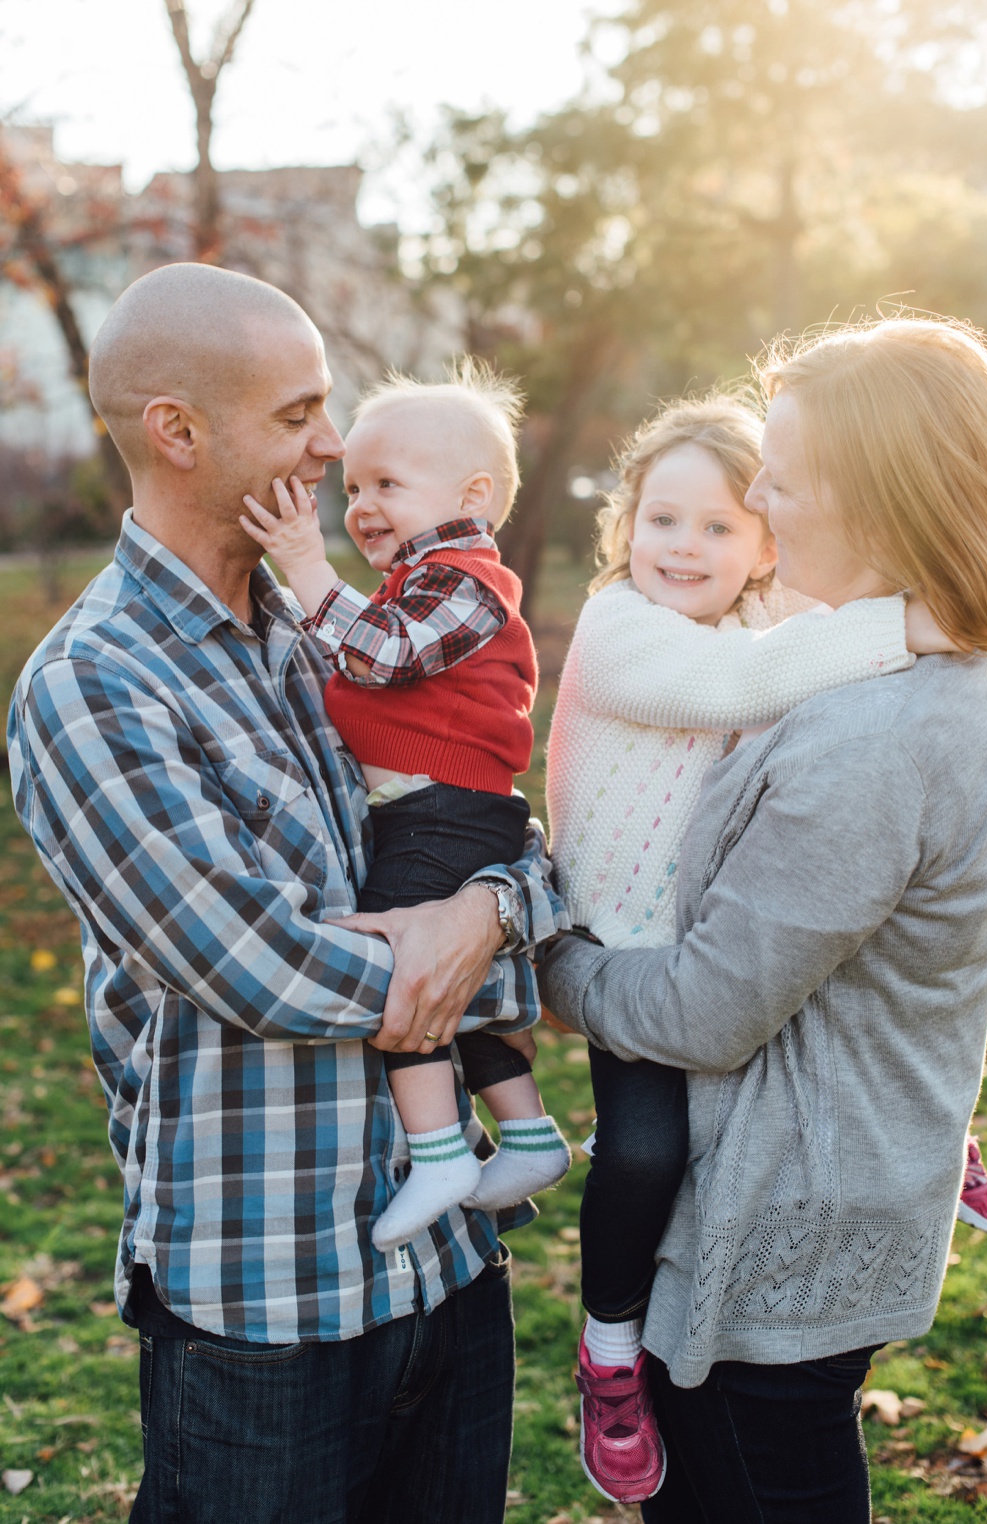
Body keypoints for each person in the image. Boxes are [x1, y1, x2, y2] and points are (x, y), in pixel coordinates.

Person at [8, 261, 561, 1523]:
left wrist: (486, 912)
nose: (329, 446)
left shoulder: (327, 630)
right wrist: (499, 925)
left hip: (445, 1262)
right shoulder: (94, 684)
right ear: (179, 431)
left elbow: (493, 814)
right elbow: (263, 968)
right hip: (268, 1296)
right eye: (298, 414)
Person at [540, 317, 987, 1524]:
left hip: (775, 1243)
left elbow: (704, 1010)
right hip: (782, 1207)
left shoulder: (876, 732)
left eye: (780, 481)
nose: (754, 496)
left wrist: (552, 960)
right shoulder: (873, 672)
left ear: (870, 498)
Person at [240, 361, 571, 1252]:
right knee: (457, 989)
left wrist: (306, 565)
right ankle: (531, 1134)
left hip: (443, 810)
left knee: (407, 968)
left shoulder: (467, 580)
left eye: (388, 483)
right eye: (354, 487)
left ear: (473, 495)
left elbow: (381, 657)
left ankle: (440, 1154)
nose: (361, 505)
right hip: (438, 809)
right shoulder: (417, 582)